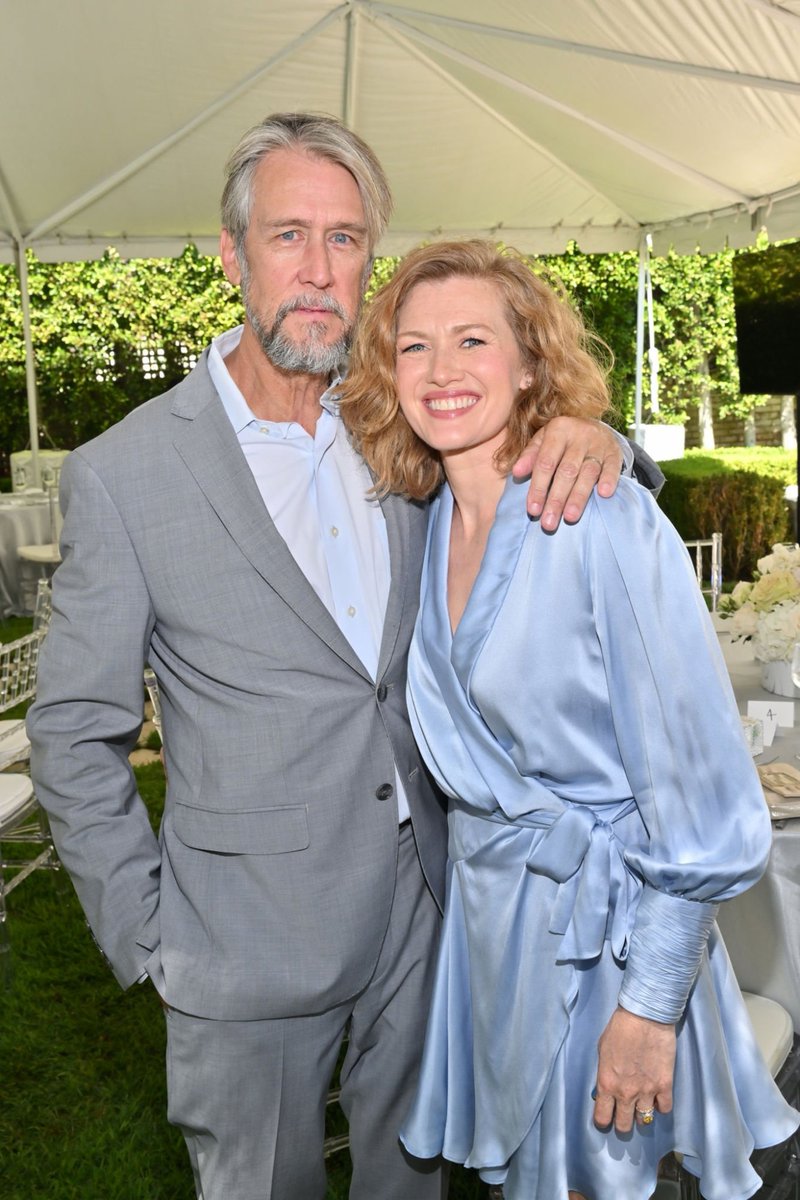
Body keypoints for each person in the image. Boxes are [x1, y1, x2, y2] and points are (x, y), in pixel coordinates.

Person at [27, 115, 659, 1200]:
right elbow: (72, 734)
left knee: (412, 1182)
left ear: (370, 259)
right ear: (232, 256)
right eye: (289, 236)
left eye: (345, 239)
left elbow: (561, 459)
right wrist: (149, 937)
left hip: (427, 911)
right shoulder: (126, 474)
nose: (318, 271)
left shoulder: (402, 420)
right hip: (242, 946)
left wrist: (602, 439)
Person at [339, 238, 800, 1200]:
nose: (442, 369)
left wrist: (649, 1005)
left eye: (473, 339)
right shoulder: (422, 523)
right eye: (414, 346)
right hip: (492, 943)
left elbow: (705, 795)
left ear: (529, 364)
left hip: (612, 944)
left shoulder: (601, 520)